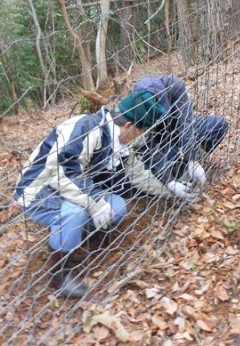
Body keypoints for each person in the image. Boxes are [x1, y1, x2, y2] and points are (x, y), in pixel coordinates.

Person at [13, 90, 167, 298]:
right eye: (140, 134)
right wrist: (95, 202)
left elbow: (137, 174)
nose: (138, 141)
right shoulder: (86, 129)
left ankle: (80, 235)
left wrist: (169, 190)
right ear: (128, 126)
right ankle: (60, 273)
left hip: (73, 189)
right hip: (39, 190)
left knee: (118, 206)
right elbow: (60, 173)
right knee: (76, 212)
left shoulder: (117, 138)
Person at [131, 75, 229, 200]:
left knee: (217, 125)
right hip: (159, 140)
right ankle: (178, 170)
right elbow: (150, 145)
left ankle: (197, 159)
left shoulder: (174, 85)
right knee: (166, 165)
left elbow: (186, 121)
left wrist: (193, 159)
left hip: (178, 127)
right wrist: (169, 181)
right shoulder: (137, 105)